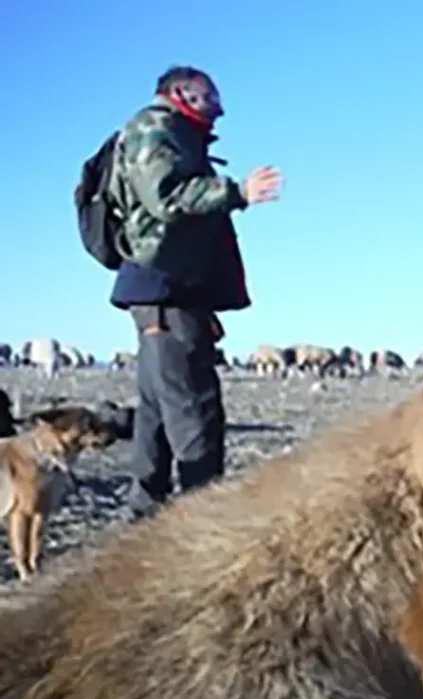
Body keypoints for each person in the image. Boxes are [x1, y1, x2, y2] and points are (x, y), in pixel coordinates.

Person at [106, 65, 282, 516]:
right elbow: (164, 196)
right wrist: (238, 192)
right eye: (210, 98)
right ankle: (204, 523)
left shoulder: (176, 134)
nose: (219, 110)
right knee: (193, 409)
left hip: (168, 291)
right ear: (181, 93)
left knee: (158, 412)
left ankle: (144, 518)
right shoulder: (155, 128)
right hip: (165, 286)